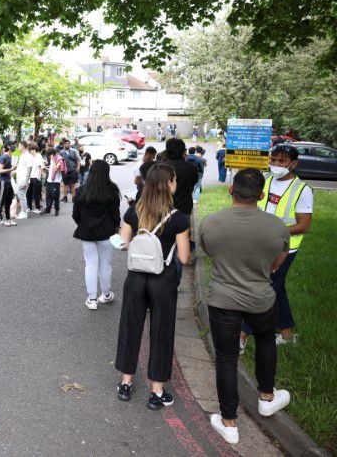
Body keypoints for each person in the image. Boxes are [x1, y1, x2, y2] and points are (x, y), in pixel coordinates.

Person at [200, 169, 292, 444]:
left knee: (227, 358)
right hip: (261, 299)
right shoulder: (277, 227)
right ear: (262, 195)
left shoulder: (210, 223)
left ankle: (229, 422)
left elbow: (209, 252)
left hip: (223, 300)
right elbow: (278, 262)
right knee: (265, 342)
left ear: (231, 190)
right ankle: (267, 397)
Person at [115, 163, 191, 410]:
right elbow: (184, 257)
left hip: (135, 278)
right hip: (164, 280)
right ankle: (157, 391)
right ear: (169, 184)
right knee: (161, 331)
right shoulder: (178, 217)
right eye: (175, 179)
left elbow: (123, 243)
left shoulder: (133, 212)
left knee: (130, 326)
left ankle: (125, 382)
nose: (176, 183)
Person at [240, 144, 312, 350]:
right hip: (261, 243)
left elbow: (304, 225)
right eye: (273, 160)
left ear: (293, 164)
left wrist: (274, 231)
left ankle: (242, 335)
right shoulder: (265, 180)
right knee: (276, 287)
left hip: (284, 248)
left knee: (264, 288)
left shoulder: (302, 190)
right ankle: (287, 334)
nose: (276, 165)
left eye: (281, 161)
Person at [72, 160, 120, 309]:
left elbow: (75, 215)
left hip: (87, 233)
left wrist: (84, 223)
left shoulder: (82, 190)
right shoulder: (112, 190)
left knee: (91, 264)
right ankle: (106, 294)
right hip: (106, 233)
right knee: (105, 265)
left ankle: (92, 299)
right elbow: (115, 214)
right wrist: (116, 226)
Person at [0, 144, 17, 226]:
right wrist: (11, 169)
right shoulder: (3, 157)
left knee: (9, 200)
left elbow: (8, 170)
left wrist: (12, 171)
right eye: (10, 145)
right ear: (6, 148)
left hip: (8, 180)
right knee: (2, 200)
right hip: (3, 181)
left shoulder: (10, 157)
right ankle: (0, 219)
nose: (13, 146)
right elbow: (0, 170)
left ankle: (8, 218)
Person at [42, 147, 64, 216]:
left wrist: (52, 160)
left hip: (56, 181)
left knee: (55, 195)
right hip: (49, 180)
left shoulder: (59, 159)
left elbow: (56, 169)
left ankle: (57, 209)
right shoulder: (52, 159)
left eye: (48, 155)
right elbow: (51, 169)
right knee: (48, 195)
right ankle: (48, 209)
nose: (48, 156)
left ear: (51, 154)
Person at [13, 141, 31, 220]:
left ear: (23, 146)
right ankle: (24, 210)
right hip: (19, 178)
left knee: (22, 196)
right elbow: (21, 167)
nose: (18, 147)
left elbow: (29, 169)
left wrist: (26, 182)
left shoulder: (28, 156)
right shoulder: (22, 155)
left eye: (19, 146)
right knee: (18, 193)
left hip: (24, 179)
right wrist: (15, 171)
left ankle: (24, 212)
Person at [26, 143, 44, 212]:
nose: (30, 151)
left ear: (34, 150)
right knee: (29, 192)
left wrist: (38, 177)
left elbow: (40, 167)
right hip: (30, 176)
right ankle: (29, 207)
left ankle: (37, 208)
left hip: (36, 177)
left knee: (36, 193)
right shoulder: (32, 156)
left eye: (31, 150)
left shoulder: (38, 156)